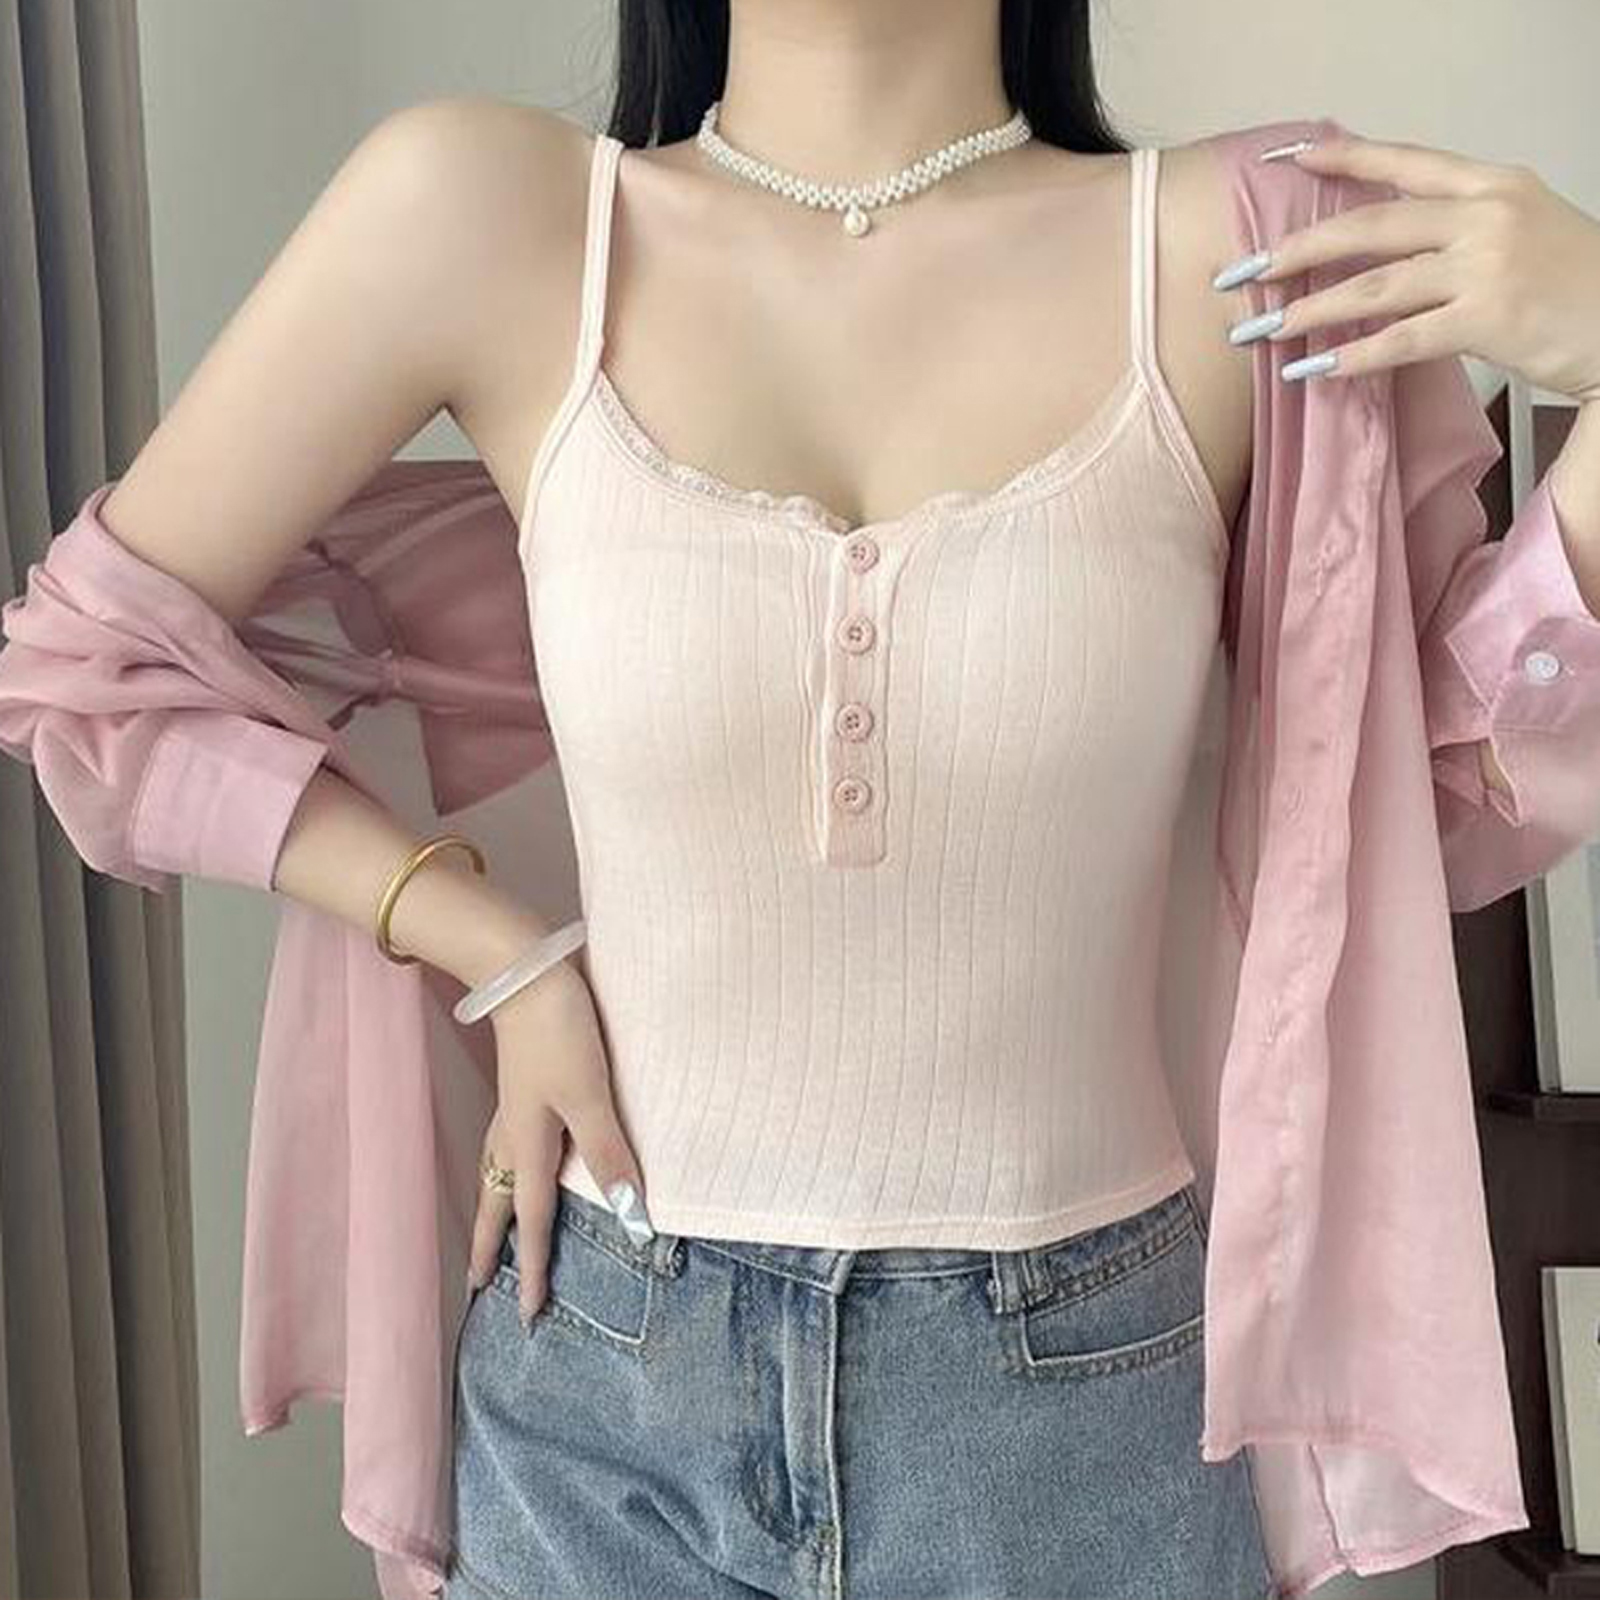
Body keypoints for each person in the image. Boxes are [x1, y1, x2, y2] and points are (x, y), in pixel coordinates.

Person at [7, 2, 1600, 1599]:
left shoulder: (1248, 247)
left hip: (1085, 1414)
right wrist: (490, 944)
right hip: (601, 1397)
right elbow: (85, 669)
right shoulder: (484, 213)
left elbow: (1432, 792)